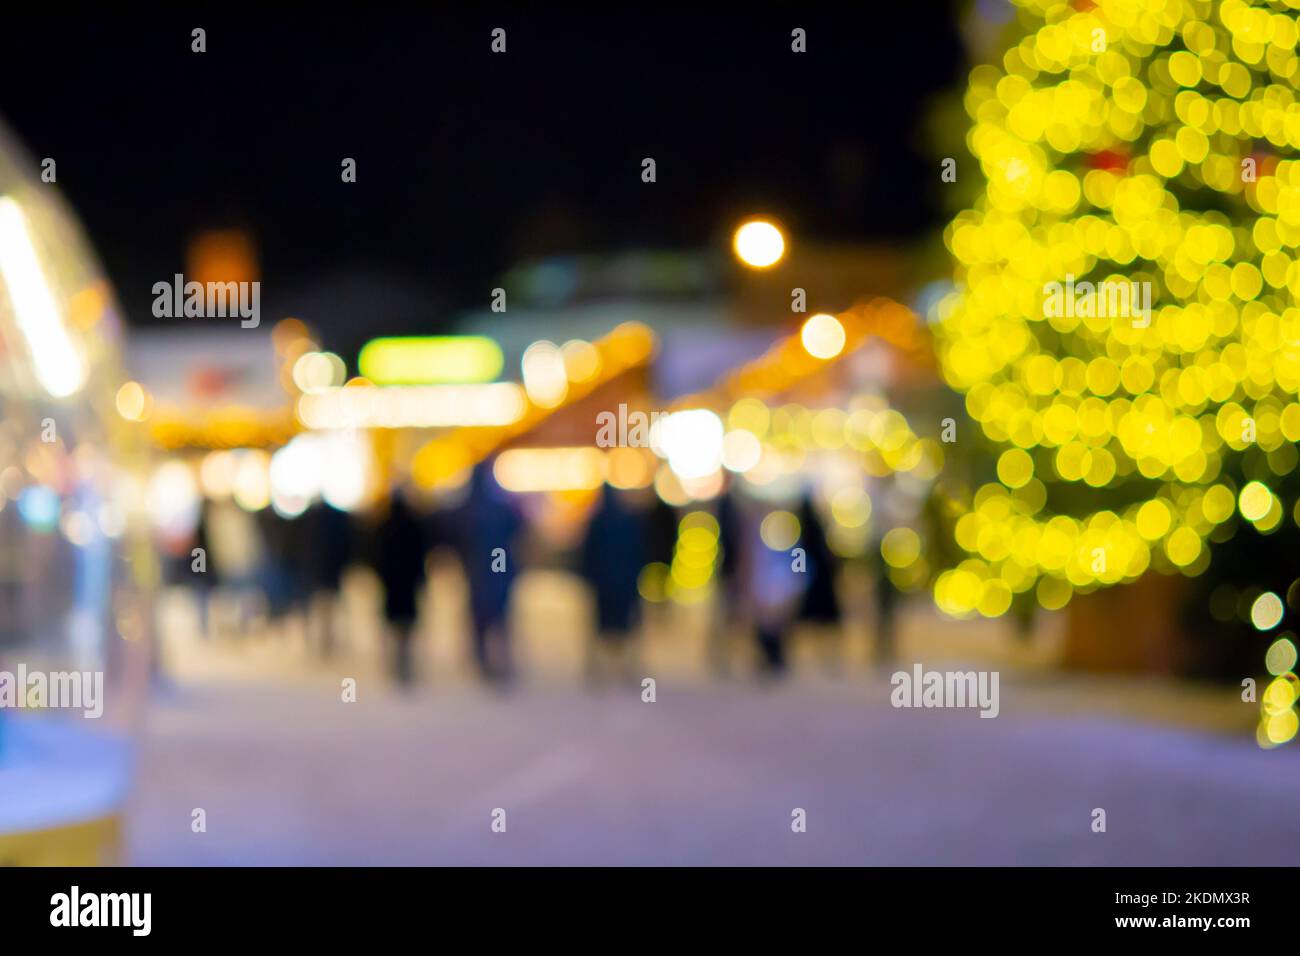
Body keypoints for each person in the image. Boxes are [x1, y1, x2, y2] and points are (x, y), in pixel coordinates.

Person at [457, 462, 522, 683]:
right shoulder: (500, 507)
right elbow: (517, 530)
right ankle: (502, 663)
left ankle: (485, 663)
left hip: (480, 573)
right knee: (500, 619)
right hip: (498, 572)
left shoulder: (468, 510)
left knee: (481, 621)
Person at [579, 485, 649, 684]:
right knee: (624, 626)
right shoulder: (628, 520)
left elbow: (588, 554)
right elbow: (638, 552)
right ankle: (623, 668)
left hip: (605, 582)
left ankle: (602, 669)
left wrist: (589, 577)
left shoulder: (599, 521)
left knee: (603, 627)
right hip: (622, 581)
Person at [374, 490, 427, 687]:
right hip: (408, 584)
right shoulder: (413, 524)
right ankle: (404, 664)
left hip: (392, 585)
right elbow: (421, 553)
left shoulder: (384, 526)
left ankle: (397, 664)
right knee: (406, 626)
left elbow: (377, 555)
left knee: (394, 624)